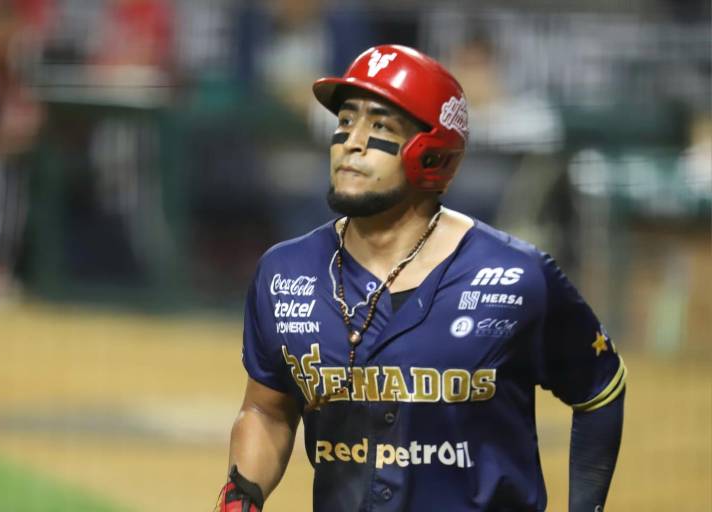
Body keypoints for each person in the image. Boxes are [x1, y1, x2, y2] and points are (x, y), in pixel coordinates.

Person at [216, 45, 625, 512]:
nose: (351, 141)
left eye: (380, 127)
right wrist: (239, 498)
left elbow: (600, 389)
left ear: (431, 154)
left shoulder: (516, 277)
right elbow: (266, 410)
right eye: (345, 121)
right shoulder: (286, 273)